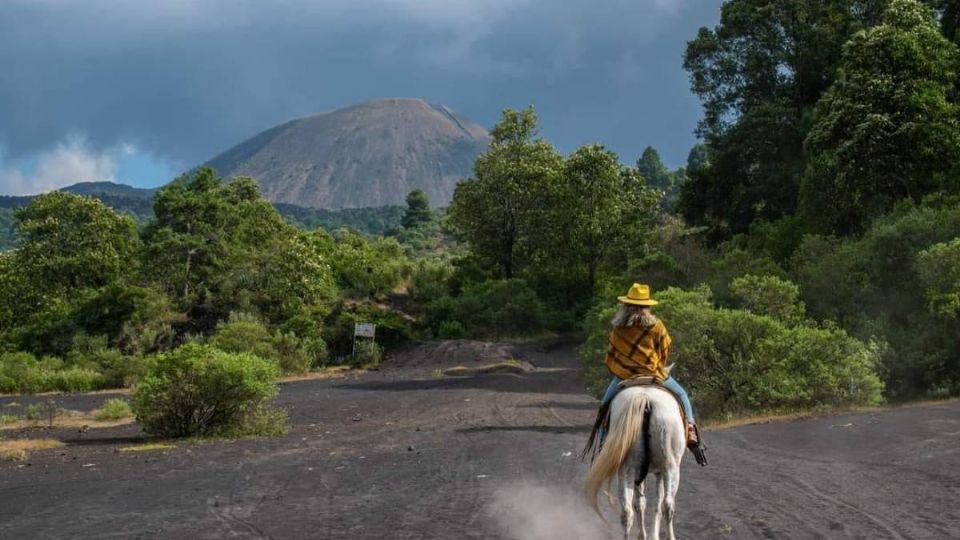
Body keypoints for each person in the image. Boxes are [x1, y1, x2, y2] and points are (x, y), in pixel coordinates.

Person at [599, 282, 707, 466]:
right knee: (682, 395)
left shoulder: (618, 328)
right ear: (647, 307)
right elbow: (665, 348)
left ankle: (603, 444)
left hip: (625, 376)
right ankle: (691, 433)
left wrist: (622, 368)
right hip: (654, 374)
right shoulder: (657, 326)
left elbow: (611, 355)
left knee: (605, 406)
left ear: (626, 306)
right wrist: (656, 365)